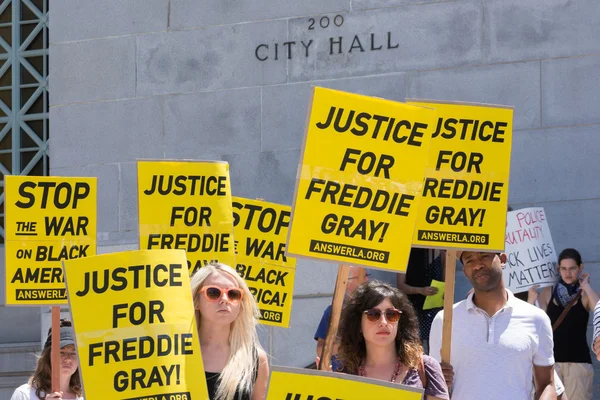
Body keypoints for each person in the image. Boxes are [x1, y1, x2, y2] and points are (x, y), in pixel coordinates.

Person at [429, 251, 556, 400]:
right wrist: (438, 382)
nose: (477, 265)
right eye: (469, 261)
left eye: (484, 256)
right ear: (464, 271)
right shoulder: (444, 320)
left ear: (502, 259)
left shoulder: (537, 318)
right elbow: (434, 390)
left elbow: (548, 385)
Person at [337, 280, 449, 399]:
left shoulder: (426, 367)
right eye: (374, 314)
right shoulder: (345, 372)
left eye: (391, 315)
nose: (384, 322)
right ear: (358, 324)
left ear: (400, 323)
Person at [191, 262, 269, 400]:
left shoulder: (256, 359)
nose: (224, 300)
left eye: (233, 294)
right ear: (196, 301)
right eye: (213, 293)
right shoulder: (175, 353)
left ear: (241, 303)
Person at [532, 248, 599, 400]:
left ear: (580, 268)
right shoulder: (549, 291)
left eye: (572, 268)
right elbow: (536, 322)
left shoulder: (584, 294)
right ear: (558, 269)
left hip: (579, 363)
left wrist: (586, 287)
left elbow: (599, 308)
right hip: (550, 364)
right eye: (563, 268)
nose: (567, 273)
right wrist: (531, 300)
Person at [11, 319, 83, 400]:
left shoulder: (85, 396)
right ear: (47, 356)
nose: (68, 359)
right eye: (61, 352)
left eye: (73, 353)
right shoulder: (25, 394)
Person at [314, 266, 366, 370]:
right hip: (340, 375)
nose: (367, 280)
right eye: (362, 277)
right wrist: (344, 345)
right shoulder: (332, 312)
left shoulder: (375, 311)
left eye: (366, 276)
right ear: (346, 283)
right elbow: (320, 349)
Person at [397, 248, 444, 354]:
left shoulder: (441, 253)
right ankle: (417, 367)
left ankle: (432, 366)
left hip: (435, 305)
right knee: (415, 341)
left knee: (436, 340)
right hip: (414, 305)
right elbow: (400, 286)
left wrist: (444, 292)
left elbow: (447, 281)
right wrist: (420, 290)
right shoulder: (405, 254)